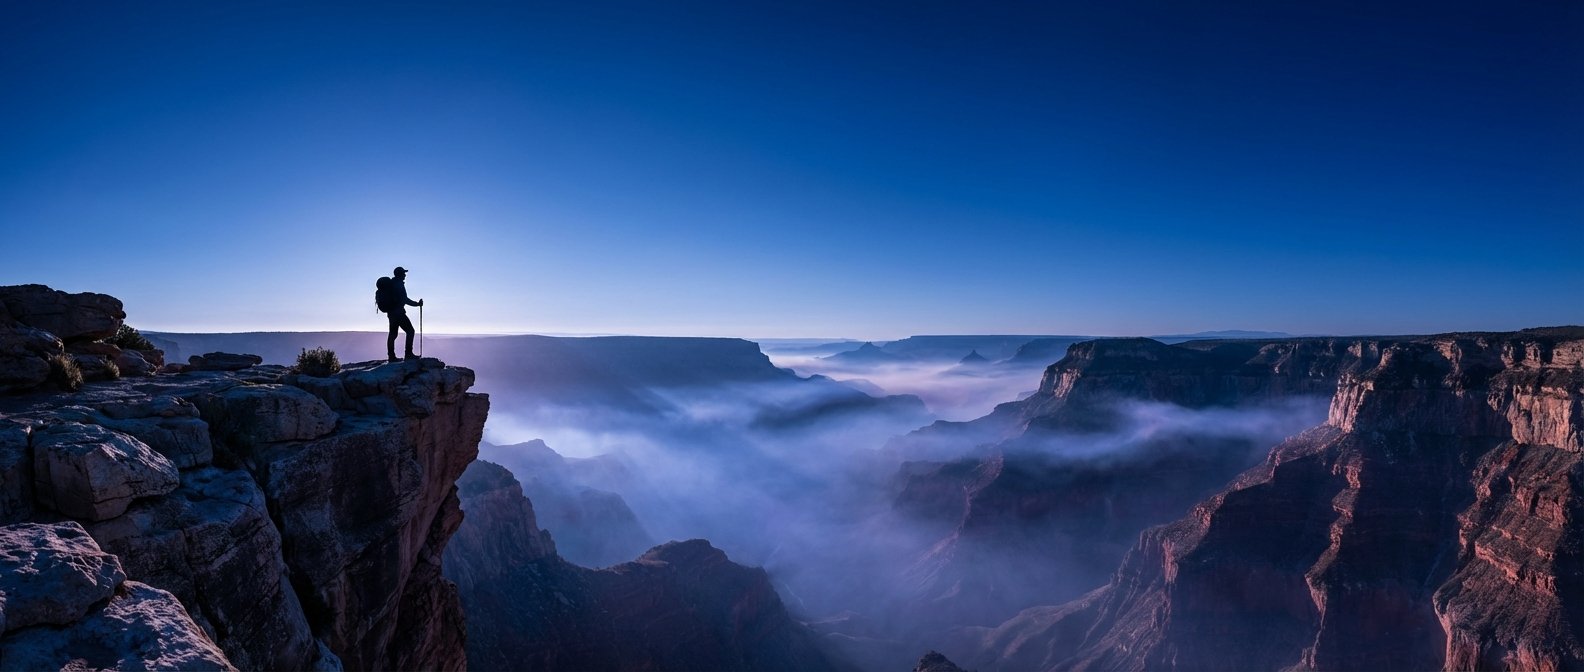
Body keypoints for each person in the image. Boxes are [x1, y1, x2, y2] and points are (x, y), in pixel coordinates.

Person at [386, 266, 423, 362]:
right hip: (399, 313)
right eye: (403, 273)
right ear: (400, 274)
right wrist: (417, 304)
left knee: (393, 334)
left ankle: (391, 356)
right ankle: (408, 354)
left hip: (391, 313)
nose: (405, 275)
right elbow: (404, 299)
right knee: (410, 331)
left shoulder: (392, 284)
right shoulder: (398, 284)